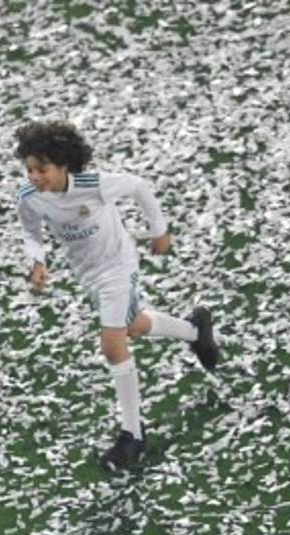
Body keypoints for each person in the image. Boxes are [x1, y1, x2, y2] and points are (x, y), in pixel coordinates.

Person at [14, 120, 220, 471]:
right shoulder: (30, 198)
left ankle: (133, 434)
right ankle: (194, 331)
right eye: (29, 169)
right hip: (89, 274)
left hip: (118, 265)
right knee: (135, 326)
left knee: (112, 345)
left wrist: (160, 231)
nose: (34, 177)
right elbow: (31, 232)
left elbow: (139, 186)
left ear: (64, 165)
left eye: (42, 169)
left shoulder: (94, 186)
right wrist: (37, 261)